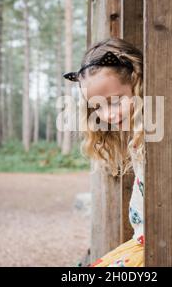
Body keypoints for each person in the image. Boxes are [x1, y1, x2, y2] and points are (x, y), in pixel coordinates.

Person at [62, 37, 145, 267]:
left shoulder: (155, 140)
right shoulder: (136, 142)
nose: (107, 115)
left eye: (116, 101)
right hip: (139, 242)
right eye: (98, 106)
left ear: (138, 84)